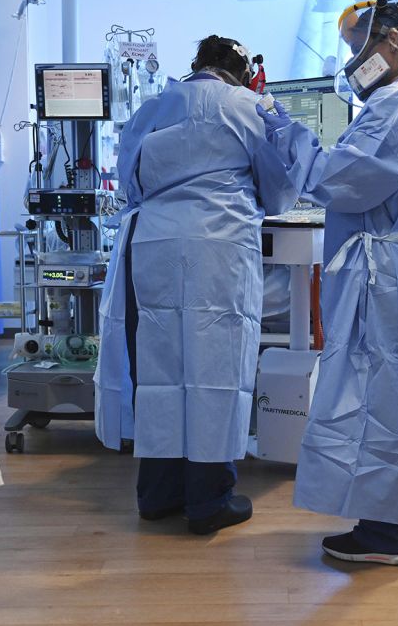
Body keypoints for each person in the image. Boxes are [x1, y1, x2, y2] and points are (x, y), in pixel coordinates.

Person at [255, 0, 398, 564]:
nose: (354, 61)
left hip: (384, 278)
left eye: (359, 47)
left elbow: (338, 177)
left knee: (378, 400)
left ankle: (384, 534)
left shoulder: (396, 104)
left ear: (391, 43)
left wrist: (280, 124)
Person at [95, 35, 296, 535]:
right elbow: (278, 190)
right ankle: (208, 501)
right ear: (243, 71)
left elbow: (129, 181)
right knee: (217, 368)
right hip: (220, 248)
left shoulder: (156, 105)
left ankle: (158, 495)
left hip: (156, 247)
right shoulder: (251, 108)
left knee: (159, 369)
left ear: (197, 65)